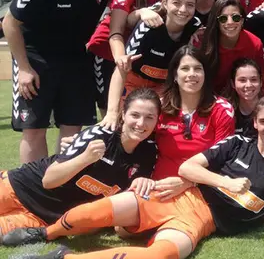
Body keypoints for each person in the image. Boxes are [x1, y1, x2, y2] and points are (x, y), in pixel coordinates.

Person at [4, 86, 264, 259]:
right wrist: (226, 183)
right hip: (180, 196)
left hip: (202, 220)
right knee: (99, 211)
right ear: (255, 122)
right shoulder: (236, 143)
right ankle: (46, 233)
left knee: (160, 257)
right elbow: (189, 167)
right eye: (263, 121)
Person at [5, 0, 119, 163]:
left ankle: (62, 181)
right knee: (34, 129)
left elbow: (127, 1)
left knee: (73, 128)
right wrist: (24, 68)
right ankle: (34, 183)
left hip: (77, 59)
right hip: (36, 59)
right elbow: (9, 23)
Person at [0, 88, 159, 236]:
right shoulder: (101, 135)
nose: (141, 123)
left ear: (157, 120)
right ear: (123, 114)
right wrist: (85, 158)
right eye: (135, 115)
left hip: (44, 217)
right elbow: (49, 180)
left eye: (149, 117)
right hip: (18, 187)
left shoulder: (149, 153)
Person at [86, 0, 187, 117]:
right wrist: (121, 58)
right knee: (114, 115)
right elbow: (115, 31)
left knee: (147, 113)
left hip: (144, 56)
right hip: (111, 53)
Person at [101, 0, 202, 129]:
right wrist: (112, 112)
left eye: (190, 5)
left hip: (163, 87)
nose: (183, 10)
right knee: (122, 126)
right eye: (176, 3)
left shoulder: (195, 26)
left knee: (160, 128)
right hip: (133, 82)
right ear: (165, 3)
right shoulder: (148, 27)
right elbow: (122, 67)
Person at [149, 46, 235, 180]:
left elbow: (221, 160)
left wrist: (187, 183)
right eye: (185, 68)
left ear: (205, 74)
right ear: (175, 75)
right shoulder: (159, 107)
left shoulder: (222, 110)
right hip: (157, 185)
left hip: (201, 188)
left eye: (198, 69)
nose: (192, 74)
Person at [201, 0, 264, 94]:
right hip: (210, 96)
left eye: (235, 18)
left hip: (243, 96)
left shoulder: (255, 44)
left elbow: (258, 80)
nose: (230, 22)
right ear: (216, 22)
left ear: (242, 20)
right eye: (223, 18)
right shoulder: (203, 42)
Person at [225, 58, 262, 137]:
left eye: (253, 80)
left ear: (261, 82)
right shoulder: (226, 113)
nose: (248, 85)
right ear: (233, 84)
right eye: (242, 80)